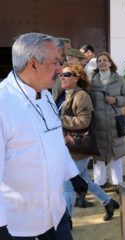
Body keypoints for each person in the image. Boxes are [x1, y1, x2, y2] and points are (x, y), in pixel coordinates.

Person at [0, 32, 88, 239]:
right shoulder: (3, 103)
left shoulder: (46, 95)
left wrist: (73, 175)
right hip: (18, 224)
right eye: (55, 62)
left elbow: (55, 141)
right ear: (33, 65)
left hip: (56, 213)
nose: (60, 70)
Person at [60, 63, 120, 224]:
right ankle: (108, 202)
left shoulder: (81, 96)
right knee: (84, 179)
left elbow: (84, 121)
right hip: (71, 148)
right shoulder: (65, 94)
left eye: (66, 74)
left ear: (76, 77)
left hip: (80, 148)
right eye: (61, 74)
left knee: (68, 183)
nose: (62, 77)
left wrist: (59, 120)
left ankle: (66, 220)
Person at [90, 52, 125, 188]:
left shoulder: (119, 79)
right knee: (98, 156)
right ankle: (99, 184)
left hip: (115, 123)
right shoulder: (92, 81)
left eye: (104, 60)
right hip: (99, 124)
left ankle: (117, 184)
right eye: (99, 61)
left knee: (116, 154)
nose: (102, 62)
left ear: (110, 63)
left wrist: (116, 100)